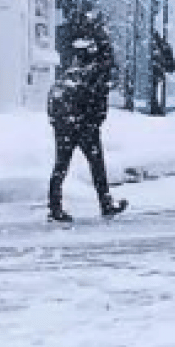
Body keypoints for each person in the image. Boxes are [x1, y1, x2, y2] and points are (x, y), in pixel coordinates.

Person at [46, 13, 127, 222]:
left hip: (66, 122)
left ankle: (55, 206)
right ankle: (105, 202)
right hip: (84, 123)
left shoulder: (74, 66)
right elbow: (96, 94)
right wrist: (94, 118)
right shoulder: (96, 67)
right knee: (96, 163)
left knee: (61, 164)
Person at [148, 29, 175, 116]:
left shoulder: (153, 44)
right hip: (155, 73)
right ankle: (155, 105)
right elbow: (171, 67)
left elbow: (171, 66)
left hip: (154, 73)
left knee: (153, 89)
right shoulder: (162, 45)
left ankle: (154, 105)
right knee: (154, 89)